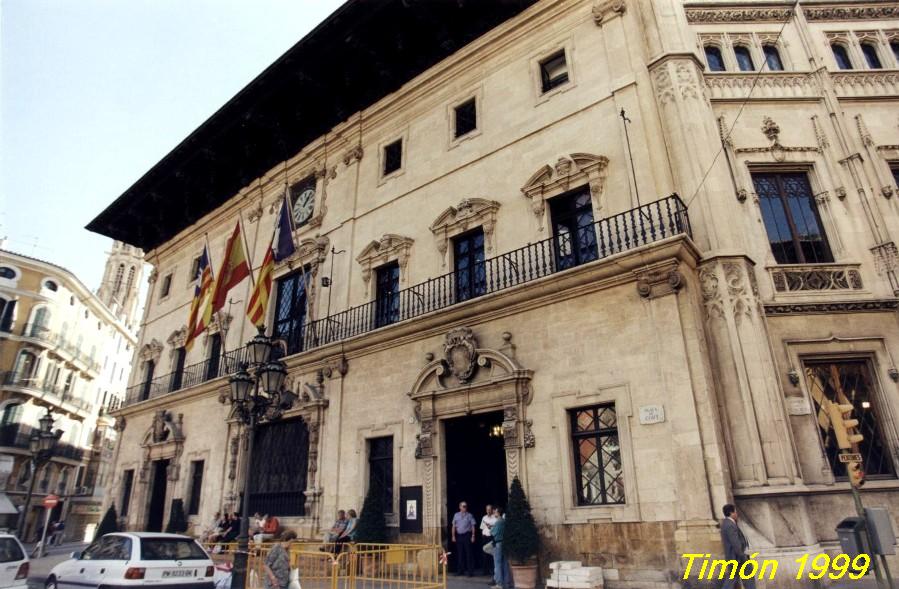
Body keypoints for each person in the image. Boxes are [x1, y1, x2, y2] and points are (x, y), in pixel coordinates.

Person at [720, 504, 756, 589]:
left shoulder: (726, 524)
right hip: (737, 558)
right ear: (731, 513)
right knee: (748, 577)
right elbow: (735, 543)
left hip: (734, 558)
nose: (737, 514)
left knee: (732, 579)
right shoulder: (730, 525)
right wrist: (742, 556)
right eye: (735, 512)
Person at [451, 501, 477, 577]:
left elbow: (473, 526)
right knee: (460, 554)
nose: (465, 507)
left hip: (467, 535)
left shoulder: (469, 515)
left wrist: (473, 536)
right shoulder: (456, 515)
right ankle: (460, 571)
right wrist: (453, 536)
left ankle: (470, 572)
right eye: (463, 506)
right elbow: (454, 526)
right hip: (459, 536)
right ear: (460, 507)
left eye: (466, 506)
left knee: (468, 554)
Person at [490, 507, 512, 589]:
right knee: (505, 564)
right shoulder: (504, 521)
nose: (493, 513)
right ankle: (507, 583)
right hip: (504, 543)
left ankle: (499, 584)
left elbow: (492, 533)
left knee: (497, 564)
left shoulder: (498, 522)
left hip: (498, 543)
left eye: (494, 512)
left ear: (498, 512)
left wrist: (491, 529)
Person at [480, 504, 497, 578]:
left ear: (492, 510)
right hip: (485, 537)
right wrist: (483, 534)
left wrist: (491, 526)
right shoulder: (484, 517)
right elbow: (482, 527)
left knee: (492, 554)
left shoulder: (495, 518)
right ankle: (485, 570)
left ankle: (493, 571)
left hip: (491, 537)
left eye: (489, 509)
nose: (488, 511)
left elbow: (497, 527)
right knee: (484, 554)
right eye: (487, 509)